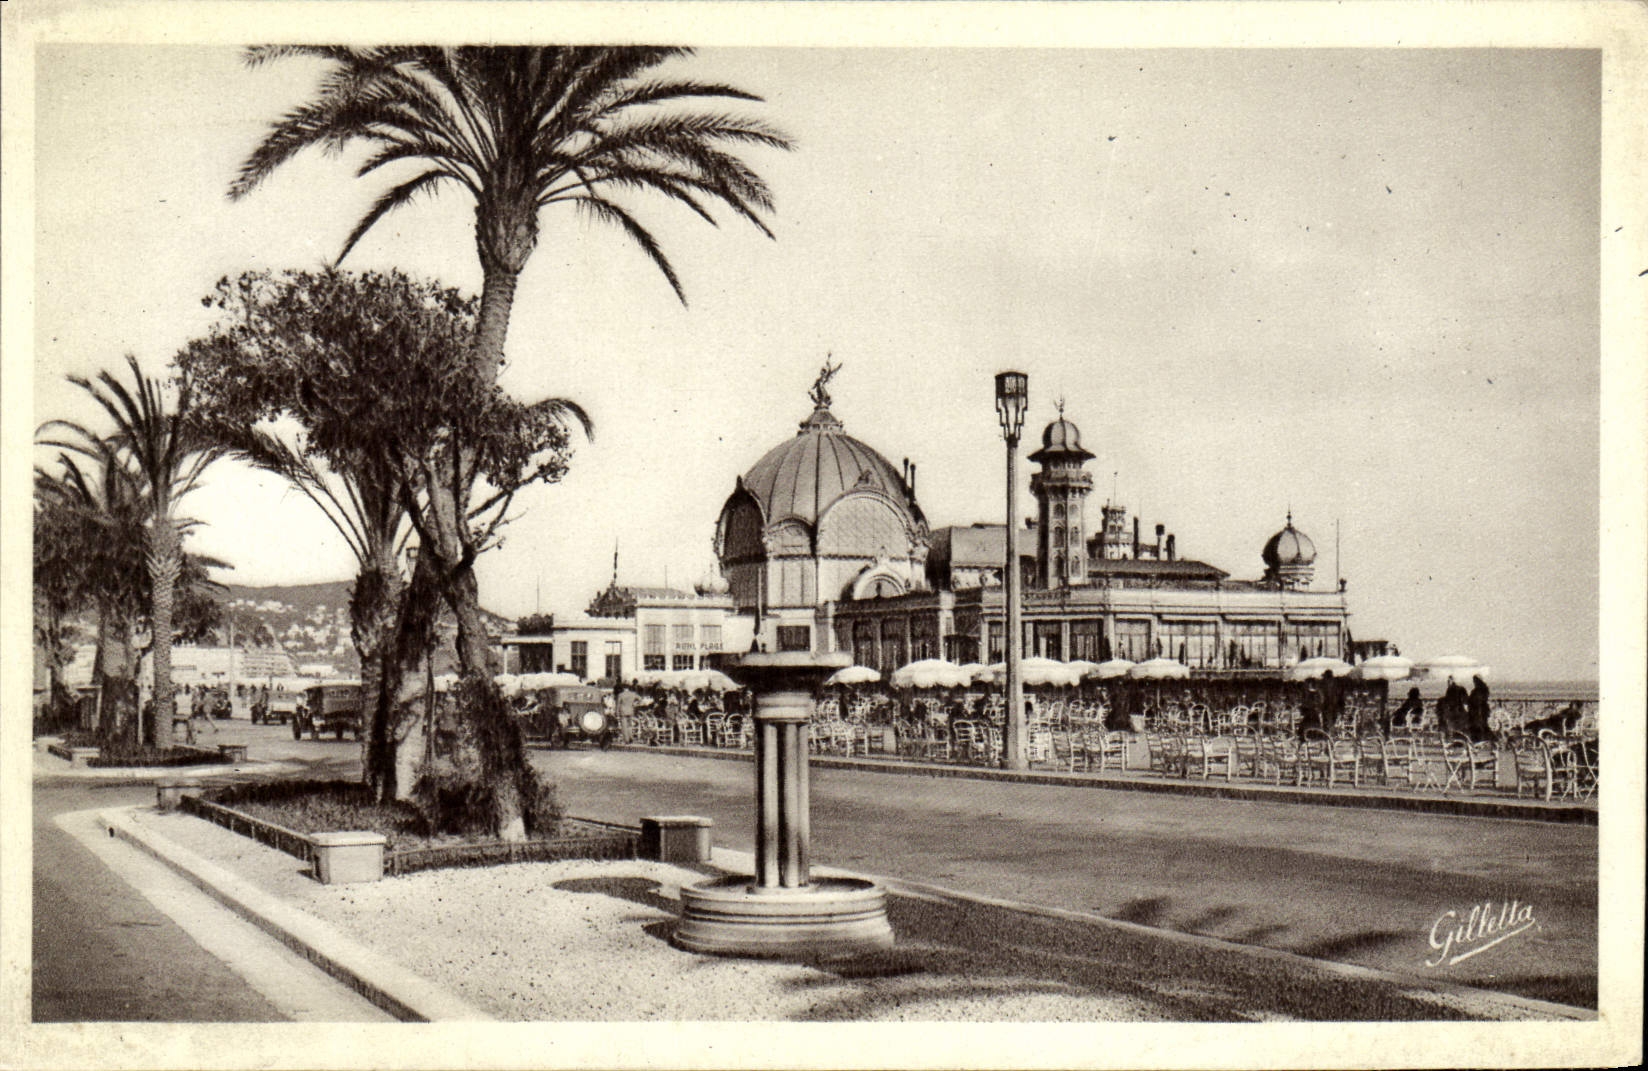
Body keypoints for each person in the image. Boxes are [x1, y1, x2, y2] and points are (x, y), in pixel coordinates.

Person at [1466, 675, 1493, 742]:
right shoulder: (1483, 689)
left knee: (1478, 725)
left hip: (1478, 711)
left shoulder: (1478, 690)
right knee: (1481, 725)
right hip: (1480, 711)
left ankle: (1479, 740)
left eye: (1475, 680)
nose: (1474, 682)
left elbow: (1476, 700)